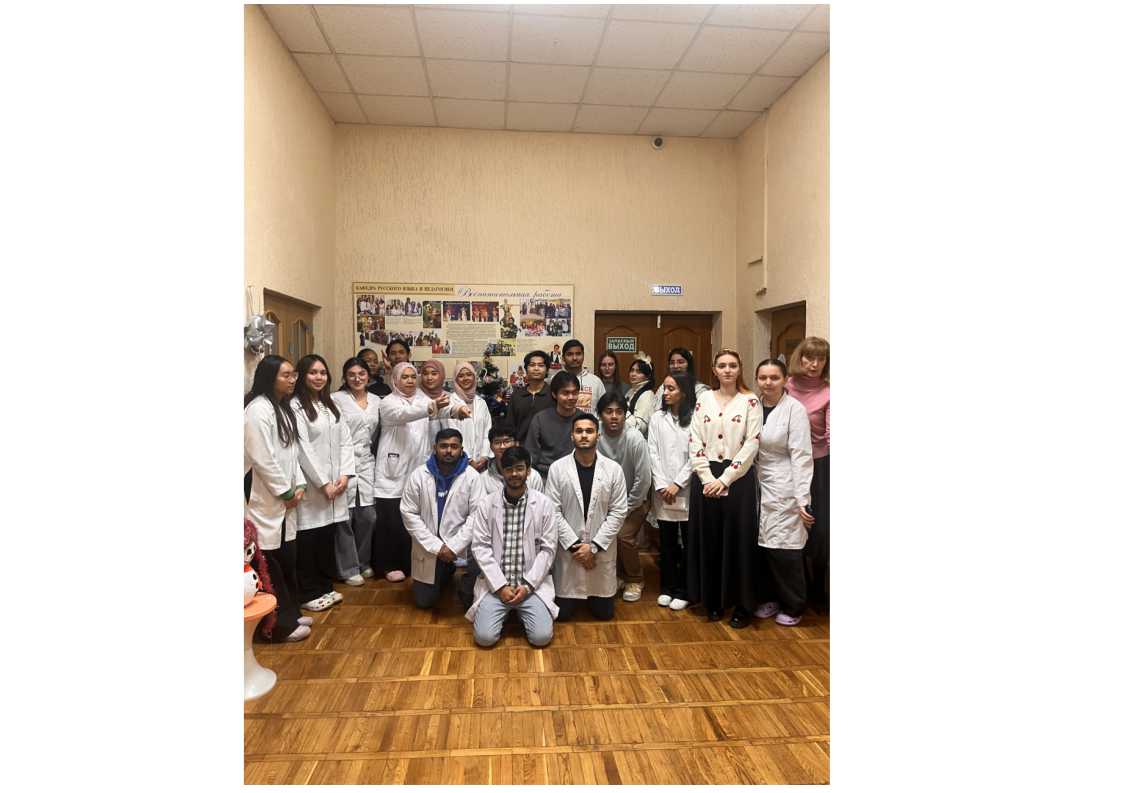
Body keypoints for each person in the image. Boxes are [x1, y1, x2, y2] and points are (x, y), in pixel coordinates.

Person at [686, 349, 764, 629]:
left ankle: (742, 604)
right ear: (714, 369)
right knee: (710, 540)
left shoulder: (750, 401)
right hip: (706, 477)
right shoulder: (704, 399)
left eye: (732, 365)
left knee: (738, 542)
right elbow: (694, 438)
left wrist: (725, 479)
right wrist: (707, 477)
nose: (727, 370)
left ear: (739, 368)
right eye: (722, 365)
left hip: (738, 479)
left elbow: (752, 443)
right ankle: (713, 601)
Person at [244, 355, 312, 642]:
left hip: (285, 498)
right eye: (286, 375)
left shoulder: (282, 408)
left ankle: (291, 612)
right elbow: (263, 458)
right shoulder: (257, 410)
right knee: (268, 562)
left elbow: (291, 454)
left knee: (286, 558)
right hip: (265, 498)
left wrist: (299, 484)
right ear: (269, 377)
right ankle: (277, 626)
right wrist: (285, 491)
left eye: (293, 374)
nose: (292, 379)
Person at [466, 446, 559, 647]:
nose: (514, 474)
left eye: (519, 468)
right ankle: (507, 611)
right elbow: (480, 547)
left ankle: (516, 612)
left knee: (541, 638)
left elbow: (548, 550)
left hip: (530, 587)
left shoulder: (544, 504)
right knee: (484, 639)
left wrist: (527, 586)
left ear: (528, 470)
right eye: (509, 469)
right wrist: (500, 587)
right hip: (496, 587)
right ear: (502, 471)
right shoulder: (487, 504)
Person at [545, 413, 629, 621]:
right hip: (570, 553)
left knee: (604, 615)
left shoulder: (613, 470)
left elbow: (618, 512)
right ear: (571, 436)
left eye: (589, 431)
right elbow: (553, 511)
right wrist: (577, 548)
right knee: (563, 616)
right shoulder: (557, 469)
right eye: (579, 431)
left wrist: (593, 548)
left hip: (600, 552)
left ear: (598, 435)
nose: (584, 435)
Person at [375, 362, 452, 582]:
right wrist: (430, 407)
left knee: (414, 520)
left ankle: (410, 563)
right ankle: (388, 565)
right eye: (404, 377)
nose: (410, 380)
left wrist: (457, 410)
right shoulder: (388, 402)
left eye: (412, 377)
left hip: (417, 468)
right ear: (395, 380)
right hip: (392, 472)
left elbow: (440, 410)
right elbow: (405, 414)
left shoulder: (422, 399)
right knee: (391, 521)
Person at [752, 358, 815, 626]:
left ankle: (794, 605)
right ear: (757, 379)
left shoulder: (794, 410)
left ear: (785, 379)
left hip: (785, 483)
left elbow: (802, 456)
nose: (768, 383)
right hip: (757, 481)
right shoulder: (753, 405)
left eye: (774, 377)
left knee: (785, 548)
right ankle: (770, 598)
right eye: (763, 377)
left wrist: (802, 498)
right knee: (763, 546)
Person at [291, 354, 357, 611]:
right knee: (309, 539)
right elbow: (303, 449)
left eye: (322, 372)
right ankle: (308, 593)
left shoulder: (330, 405)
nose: (318, 377)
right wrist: (323, 483)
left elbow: (346, 441)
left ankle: (324, 586)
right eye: (313, 372)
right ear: (301, 376)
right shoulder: (296, 407)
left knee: (326, 538)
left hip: (336, 484)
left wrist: (345, 476)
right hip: (313, 487)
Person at [400, 429, 483, 609]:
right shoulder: (419, 475)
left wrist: (454, 547)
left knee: (470, 599)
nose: (448, 451)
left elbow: (477, 515)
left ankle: (456, 571)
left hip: (461, 544)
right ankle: (445, 568)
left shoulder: (472, 477)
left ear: (461, 449)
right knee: (424, 601)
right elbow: (409, 513)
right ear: (434, 448)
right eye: (443, 446)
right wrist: (438, 547)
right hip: (430, 546)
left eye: (454, 446)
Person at [784, 337, 830, 613]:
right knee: (791, 526)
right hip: (787, 465)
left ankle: (817, 591)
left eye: (820, 359)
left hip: (819, 466)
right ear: (799, 359)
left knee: (819, 529)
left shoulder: (828, 392)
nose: (814, 364)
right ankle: (792, 590)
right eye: (809, 358)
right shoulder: (786, 386)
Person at [595, 394, 652, 603]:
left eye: (619, 412)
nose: (614, 416)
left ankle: (635, 579)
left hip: (634, 501)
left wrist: (625, 508)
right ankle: (615, 575)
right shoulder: (595, 434)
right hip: (603, 502)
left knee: (622, 536)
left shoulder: (634, 438)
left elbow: (643, 479)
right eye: (608, 412)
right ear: (600, 415)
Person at [647, 373, 696, 611]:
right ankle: (667, 587)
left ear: (684, 392)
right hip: (662, 490)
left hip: (686, 489)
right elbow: (653, 452)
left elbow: (697, 454)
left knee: (688, 542)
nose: (665, 393)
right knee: (666, 543)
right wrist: (662, 484)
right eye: (664, 388)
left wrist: (678, 483)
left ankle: (685, 589)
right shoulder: (657, 418)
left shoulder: (696, 417)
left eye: (671, 389)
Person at [334, 357, 380, 580]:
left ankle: (363, 562)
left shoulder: (377, 401)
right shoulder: (336, 399)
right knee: (345, 517)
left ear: (368, 376)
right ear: (345, 377)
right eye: (351, 374)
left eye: (361, 373)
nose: (357, 378)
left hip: (367, 461)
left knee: (368, 516)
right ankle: (348, 568)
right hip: (343, 461)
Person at [524, 371, 580, 481]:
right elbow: (531, 454)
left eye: (575, 393)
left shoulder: (584, 419)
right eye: (565, 393)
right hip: (545, 475)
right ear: (554, 394)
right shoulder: (540, 419)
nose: (571, 397)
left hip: (575, 475)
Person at [449, 361, 492, 472]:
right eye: (461, 376)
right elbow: (452, 434)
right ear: (455, 379)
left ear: (474, 377)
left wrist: (484, 456)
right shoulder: (450, 402)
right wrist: (468, 459)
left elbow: (488, 431)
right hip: (458, 461)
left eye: (469, 374)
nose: (465, 378)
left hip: (481, 463)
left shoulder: (481, 402)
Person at [479, 423, 545, 496]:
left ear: (516, 443)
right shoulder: (483, 479)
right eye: (497, 442)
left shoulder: (533, 476)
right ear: (491, 447)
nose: (502, 446)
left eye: (507, 441)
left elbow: (540, 501)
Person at [508, 350, 554, 444]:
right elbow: (510, 424)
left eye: (541, 365)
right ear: (526, 369)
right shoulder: (517, 395)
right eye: (532, 365)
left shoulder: (553, 394)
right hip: (521, 447)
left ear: (547, 370)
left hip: (548, 448)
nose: (536, 368)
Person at [561, 339, 605, 413]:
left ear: (583, 356)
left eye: (578, 354)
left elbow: (604, 409)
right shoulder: (556, 380)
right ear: (563, 358)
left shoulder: (596, 382)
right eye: (570, 354)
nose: (574, 358)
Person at [623, 358, 657, 438]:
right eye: (632, 370)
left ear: (647, 376)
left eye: (638, 372)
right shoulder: (630, 391)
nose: (633, 374)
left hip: (639, 440)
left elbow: (640, 428)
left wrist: (623, 409)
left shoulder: (648, 395)